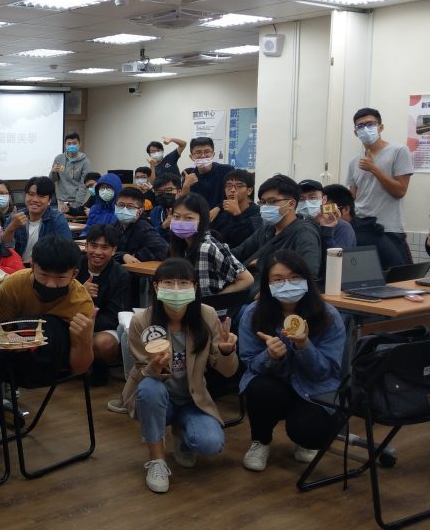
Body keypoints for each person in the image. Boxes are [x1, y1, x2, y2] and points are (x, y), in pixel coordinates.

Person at [0, 235, 95, 446]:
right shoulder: (14, 284)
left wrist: (84, 340)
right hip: (14, 360)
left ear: (74, 274)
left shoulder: (81, 302)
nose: (51, 284)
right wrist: (14, 343)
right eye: (44, 275)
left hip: (53, 365)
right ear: (32, 265)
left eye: (60, 278)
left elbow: (80, 369)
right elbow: (2, 333)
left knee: (50, 325)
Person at [122, 258, 239, 494]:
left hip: (193, 399)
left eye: (184, 283)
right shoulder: (142, 321)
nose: (176, 289)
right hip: (158, 395)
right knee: (150, 388)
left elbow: (227, 371)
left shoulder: (207, 315)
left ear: (194, 287)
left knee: (210, 444)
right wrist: (155, 367)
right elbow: (142, 372)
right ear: (156, 287)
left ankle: (183, 438)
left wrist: (227, 352)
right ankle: (157, 460)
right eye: (168, 282)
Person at [237, 249, 345, 472]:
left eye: (295, 277)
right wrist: (270, 356)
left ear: (306, 279)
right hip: (275, 385)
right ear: (267, 284)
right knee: (258, 388)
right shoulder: (253, 314)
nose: (287, 284)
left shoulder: (328, 315)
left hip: (314, 388)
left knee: (311, 433)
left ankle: (303, 438)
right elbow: (249, 363)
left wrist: (304, 346)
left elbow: (327, 371)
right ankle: (260, 441)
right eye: (278, 279)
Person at [232, 175, 321, 296]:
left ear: (291, 204)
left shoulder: (305, 232)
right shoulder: (267, 229)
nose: (266, 206)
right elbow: (238, 253)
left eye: (272, 201)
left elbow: (309, 274)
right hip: (249, 292)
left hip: (276, 298)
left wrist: (267, 294)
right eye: (263, 202)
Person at [346, 107, 414, 264]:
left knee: (399, 276)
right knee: (365, 277)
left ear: (380, 127)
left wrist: (373, 168)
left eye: (370, 124)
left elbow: (400, 191)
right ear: (356, 132)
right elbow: (353, 198)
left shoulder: (399, 151)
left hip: (388, 228)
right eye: (360, 126)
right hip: (361, 228)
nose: (365, 129)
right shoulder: (354, 162)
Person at [168, 193, 253, 297]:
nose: (181, 222)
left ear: (202, 220)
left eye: (188, 218)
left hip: (207, 305)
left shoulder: (207, 247)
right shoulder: (179, 245)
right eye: (176, 216)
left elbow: (247, 279)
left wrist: (216, 299)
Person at [76, 224, 131, 370]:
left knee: (104, 344)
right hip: (71, 320)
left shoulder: (121, 275)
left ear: (114, 250)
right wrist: (79, 291)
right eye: (93, 246)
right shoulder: (74, 265)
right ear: (86, 246)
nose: (98, 252)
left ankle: (97, 370)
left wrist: (88, 326)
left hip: (102, 327)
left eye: (105, 247)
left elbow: (115, 316)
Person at [322, 184, 405, 270]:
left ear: (346, 209)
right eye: (321, 209)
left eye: (328, 209)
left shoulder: (355, 234)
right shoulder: (360, 227)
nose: (323, 214)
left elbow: (338, 266)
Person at [2, 176, 72, 263]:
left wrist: (32, 261)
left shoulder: (57, 219)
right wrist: (12, 226)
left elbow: (65, 249)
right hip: (15, 265)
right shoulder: (16, 216)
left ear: (49, 200)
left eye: (41, 196)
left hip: (43, 266)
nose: (35, 199)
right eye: (31, 194)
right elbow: (4, 245)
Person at [111, 187, 169, 265]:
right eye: (121, 205)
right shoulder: (116, 224)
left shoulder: (143, 226)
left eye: (130, 206)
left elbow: (164, 250)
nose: (124, 210)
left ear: (140, 210)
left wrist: (136, 256)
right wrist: (122, 256)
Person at [297, 179, 356, 252]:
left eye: (312, 198)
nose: (307, 203)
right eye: (301, 199)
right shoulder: (298, 225)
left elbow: (338, 256)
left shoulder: (342, 227)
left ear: (324, 200)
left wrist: (328, 230)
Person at [210, 169, 262, 249]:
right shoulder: (220, 212)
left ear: (249, 190)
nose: (232, 190)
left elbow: (247, 245)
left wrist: (237, 215)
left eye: (239, 186)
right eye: (229, 186)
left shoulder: (257, 215)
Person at [180, 137, 234, 210]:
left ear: (213, 154)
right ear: (191, 157)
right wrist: (186, 186)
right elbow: (183, 206)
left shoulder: (226, 170)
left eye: (207, 152)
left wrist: (218, 208)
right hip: (198, 215)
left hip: (223, 212)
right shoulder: (188, 174)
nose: (203, 156)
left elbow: (234, 195)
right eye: (198, 152)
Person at [50, 132, 91, 208]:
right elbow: (53, 180)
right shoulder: (59, 159)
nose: (71, 145)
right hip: (61, 200)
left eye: (74, 143)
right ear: (65, 145)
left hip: (77, 201)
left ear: (79, 144)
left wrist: (77, 203)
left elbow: (83, 185)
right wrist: (53, 172)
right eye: (69, 143)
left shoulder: (85, 162)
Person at [149, 173, 181, 239]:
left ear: (179, 191)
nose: (164, 194)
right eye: (159, 192)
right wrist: (163, 226)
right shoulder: (155, 212)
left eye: (168, 190)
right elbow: (151, 236)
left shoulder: (188, 210)